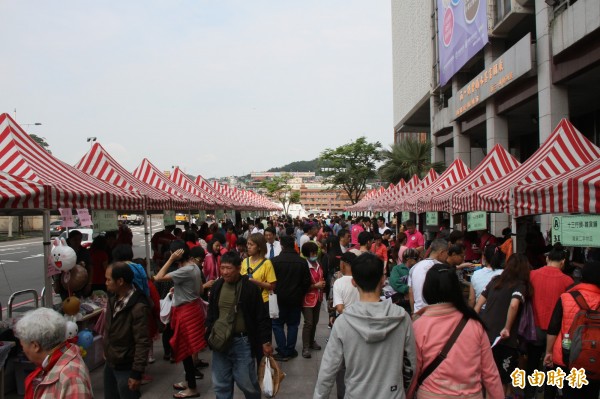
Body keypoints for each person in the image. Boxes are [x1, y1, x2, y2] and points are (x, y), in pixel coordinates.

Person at [314, 253, 417, 399]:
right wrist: (401, 391)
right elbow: (411, 364)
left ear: (354, 282)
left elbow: (328, 369)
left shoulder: (343, 322)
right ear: (383, 280)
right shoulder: (402, 318)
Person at [408, 264, 504, 399]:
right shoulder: (474, 324)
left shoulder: (419, 326)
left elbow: (413, 371)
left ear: (427, 289)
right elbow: (490, 373)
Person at [205, 251, 273, 399]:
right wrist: (209, 330)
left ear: (238, 268)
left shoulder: (250, 289)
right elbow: (211, 313)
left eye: (228, 268)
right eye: (222, 268)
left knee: (247, 382)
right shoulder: (217, 286)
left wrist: (265, 341)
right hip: (220, 342)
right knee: (221, 384)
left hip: (242, 343)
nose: (225, 272)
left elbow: (261, 316)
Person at [154, 241, 206, 399]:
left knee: (185, 350)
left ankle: (192, 387)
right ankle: (188, 381)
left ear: (175, 254)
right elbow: (200, 288)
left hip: (186, 312)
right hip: (192, 308)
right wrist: (178, 289)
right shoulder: (194, 266)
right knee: (187, 350)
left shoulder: (184, 269)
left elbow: (158, 277)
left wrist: (170, 260)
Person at [475, 253, 531, 397]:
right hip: (504, 340)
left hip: (485, 335)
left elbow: (478, 304)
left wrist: (475, 323)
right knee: (502, 379)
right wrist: (507, 327)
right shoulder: (520, 285)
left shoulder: (495, 281)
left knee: (487, 377)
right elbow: (514, 305)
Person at [544, 261, 600, 399]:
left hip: (567, 358)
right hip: (595, 359)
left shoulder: (566, 297)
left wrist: (549, 352)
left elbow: (553, 327)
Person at [526, 242, 573, 399]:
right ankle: (549, 395)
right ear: (563, 262)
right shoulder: (568, 282)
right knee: (552, 367)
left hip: (535, 329)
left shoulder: (532, 275)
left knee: (532, 364)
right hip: (555, 332)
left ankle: (529, 394)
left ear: (547, 259)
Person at [15, 308, 93, 399]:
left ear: (35, 346)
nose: (23, 350)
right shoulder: (58, 362)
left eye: (22, 345)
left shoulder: (71, 379)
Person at [104, 261, 151, 399]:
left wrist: (137, 372)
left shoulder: (138, 306)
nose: (106, 283)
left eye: (108, 280)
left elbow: (142, 342)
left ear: (120, 281)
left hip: (126, 367)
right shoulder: (113, 299)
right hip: (111, 362)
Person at [271, 235, 311, 361]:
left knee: (277, 324)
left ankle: (282, 350)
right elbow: (306, 282)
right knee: (293, 325)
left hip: (279, 299)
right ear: (294, 244)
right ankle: (290, 349)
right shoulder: (302, 261)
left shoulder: (275, 261)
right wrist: (300, 293)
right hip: (295, 298)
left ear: (281, 245)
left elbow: (272, 281)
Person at [408, 239, 448, 315]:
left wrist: (413, 312)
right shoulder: (441, 268)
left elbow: (410, 292)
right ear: (442, 252)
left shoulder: (415, 267)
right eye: (447, 253)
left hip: (418, 313)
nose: (447, 256)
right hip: (436, 314)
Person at [301, 241, 325, 359]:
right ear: (306, 254)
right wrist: (315, 286)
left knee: (315, 322)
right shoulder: (304, 266)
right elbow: (301, 285)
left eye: (316, 252)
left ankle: (311, 341)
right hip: (307, 299)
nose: (314, 254)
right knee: (308, 323)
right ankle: (305, 347)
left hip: (318, 298)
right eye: (312, 253)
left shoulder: (318, 264)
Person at [241, 233, 277, 306]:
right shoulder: (245, 261)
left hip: (262, 301)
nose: (248, 247)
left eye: (251, 244)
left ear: (259, 247)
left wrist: (256, 282)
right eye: (248, 244)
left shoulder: (267, 263)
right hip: (247, 299)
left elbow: (272, 286)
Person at [389, 248, 420, 314]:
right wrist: (408, 289)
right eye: (415, 258)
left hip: (416, 301)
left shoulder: (418, 268)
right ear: (409, 259)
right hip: (402, 301)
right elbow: (395, 283)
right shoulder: (397, 269)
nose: (417, 260)